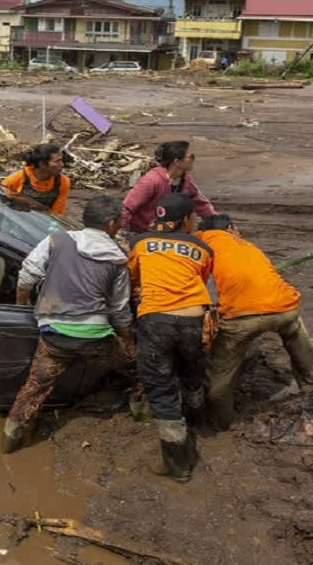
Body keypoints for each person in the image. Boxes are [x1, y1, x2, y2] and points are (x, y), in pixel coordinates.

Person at [0, 196, 150, 454]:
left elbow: (27, 276)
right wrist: (126, 341)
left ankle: (11, 439)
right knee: (141, 369)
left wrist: (22, 307)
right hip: (96, 338)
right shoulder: (117, 259)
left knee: (35, 386)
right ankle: (141, 415)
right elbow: (119, 310)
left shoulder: (57, 240)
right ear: (112, 223)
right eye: (119, 224)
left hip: (54, 336)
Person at [195, 215, 313, 431]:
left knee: (218, 383)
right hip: (285, 309)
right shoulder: (249, 246)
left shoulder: (202, 245)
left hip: (242, 319)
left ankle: (220, 423)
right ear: (232, 229)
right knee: (299, 345)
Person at [128, 193, 215, 483]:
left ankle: (178, 464)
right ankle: (198, 422)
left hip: (156, 319)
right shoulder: (202, 248)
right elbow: (200, 281)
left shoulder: (139, 243)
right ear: (188, 220)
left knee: (161, 386)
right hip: (194, 318)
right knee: (193, 370)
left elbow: (132, 279)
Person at [120, 140, 217, 241]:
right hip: (143, 233)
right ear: (177, 162)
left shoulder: (186, 180)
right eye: (190, 156)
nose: (193, 159)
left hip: (170, 232)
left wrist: (218, 222)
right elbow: (127, 208)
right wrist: (124, 233)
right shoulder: (151, 181)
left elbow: (200, 204)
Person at [0, 143, 70, 215]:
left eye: (61, 160)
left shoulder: (63, 182)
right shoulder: (16, 179)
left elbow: (57, 213)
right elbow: (2, 203)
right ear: (42, 164)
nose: (62, 165)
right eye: (57, 161)